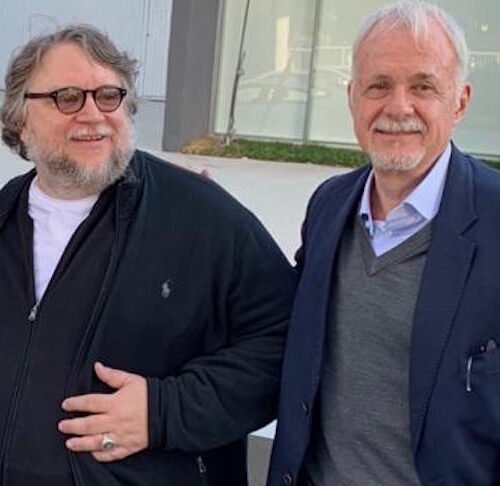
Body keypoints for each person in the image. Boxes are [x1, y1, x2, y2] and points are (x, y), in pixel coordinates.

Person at [0, 25, 296, 486]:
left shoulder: (199, 216)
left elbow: (285, 344)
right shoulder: (5, 217)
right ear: (20, 119)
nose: (94, 114)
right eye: (68, 98)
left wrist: (164, 413)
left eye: (109, 96)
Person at [268, 2, 500, 485]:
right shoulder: (329, 206)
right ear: (352, 98)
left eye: (423, 86)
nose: (398, 107)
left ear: (459, 102)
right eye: (378, 85)